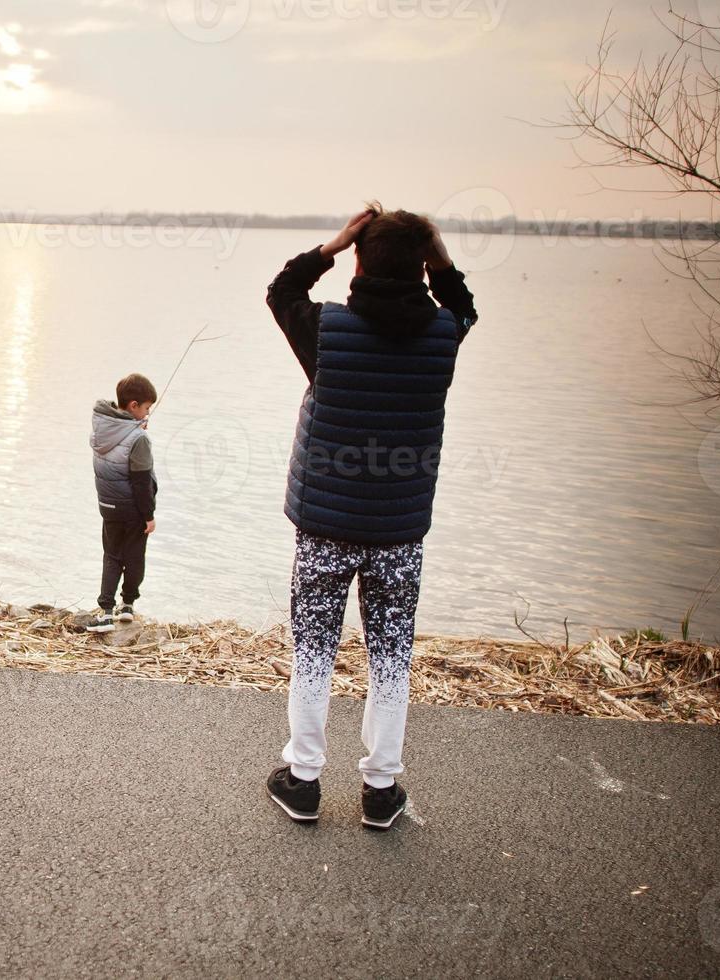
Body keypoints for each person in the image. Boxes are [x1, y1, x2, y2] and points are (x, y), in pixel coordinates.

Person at [263, 204, 478, 830]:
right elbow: (463, 305)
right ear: (422, 266)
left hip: (325, 529)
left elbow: (281, 292)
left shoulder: (327, 333)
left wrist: (333, 244)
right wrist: (435, 252)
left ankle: (303, 781)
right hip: (398, 535)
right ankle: (381, 791)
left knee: (314, 650)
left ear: (360, 260)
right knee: (390, 656)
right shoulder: (445, 336)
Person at [87, 373, 158, 633]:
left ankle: (105, 612)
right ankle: (127, 605)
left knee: (112, 556)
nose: (148, 413)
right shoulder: (139, 439)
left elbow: (120, 441)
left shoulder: (103, 429)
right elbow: (140, 481)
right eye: (147, 408)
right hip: (133, 510)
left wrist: (134, 427)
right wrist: (148, 515)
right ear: (133, 406)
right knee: (135, 557)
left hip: (108, 505)